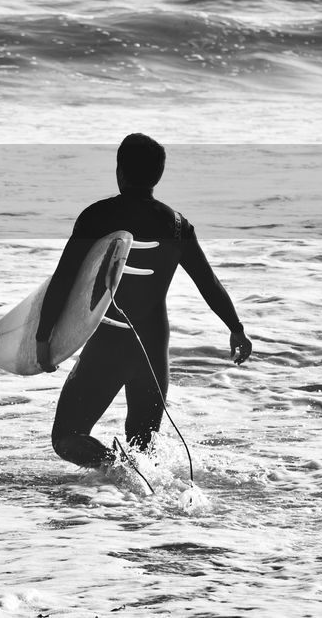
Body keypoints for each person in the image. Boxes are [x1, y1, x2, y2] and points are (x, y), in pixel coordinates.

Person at [35, 133, 252, 469]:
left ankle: (116, 472)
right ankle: (141, 510)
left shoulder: (97, 216)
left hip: (109, 340)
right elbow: (206, 281)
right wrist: (235, 328)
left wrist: (42, 337)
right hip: (153, 345)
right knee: (143, 446)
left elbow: (64, 279)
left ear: (120, 171)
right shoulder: (178, 225)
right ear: (158, 175)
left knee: (67, 437)